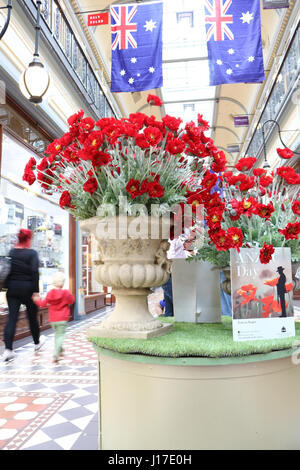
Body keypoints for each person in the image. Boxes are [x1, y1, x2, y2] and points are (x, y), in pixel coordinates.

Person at [2, 228, 45, 362]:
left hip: (12, 290)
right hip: (27, 289)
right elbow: (34, 273)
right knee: (32, 317)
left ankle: (8, 350)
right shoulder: (31, 253)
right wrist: (36, 292)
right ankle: (37, 343)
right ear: (28, 239)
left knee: (12, 319)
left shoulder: (11, 252)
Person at [33, 272, 75, 363]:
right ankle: (56, 353)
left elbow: (43, 304)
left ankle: (60, 349)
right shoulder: (65, 293)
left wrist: (37, 300)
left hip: (53, 320)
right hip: (62, 318)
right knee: (60, 335)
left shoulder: (50, 293)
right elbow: (72, 300)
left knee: (57, 335)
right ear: (63, 283)